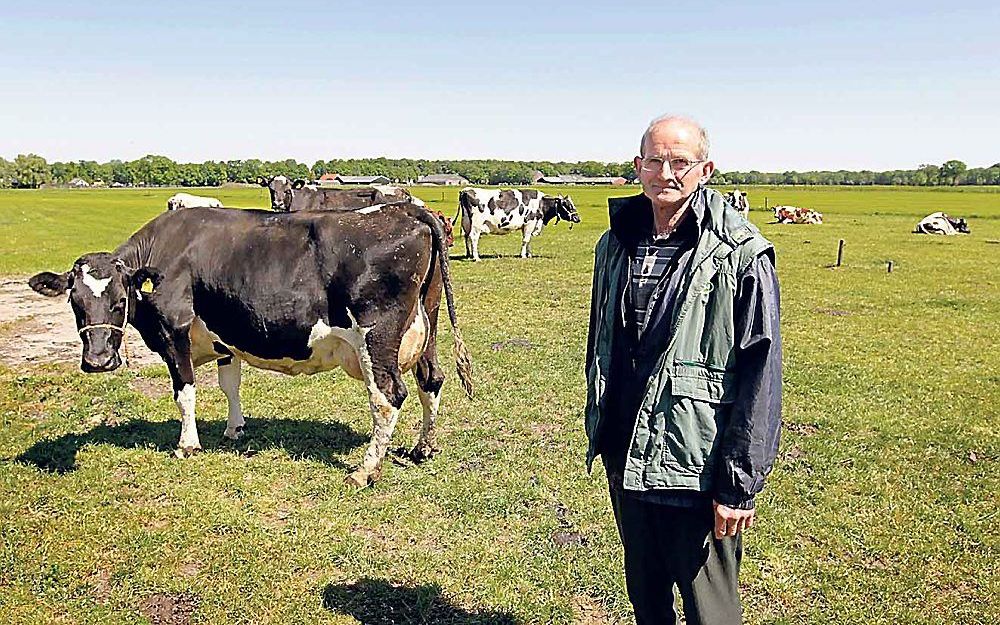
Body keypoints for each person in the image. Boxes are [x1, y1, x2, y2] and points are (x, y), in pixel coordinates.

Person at [584, 115, 782, 624]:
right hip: (627, 452)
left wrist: (738, 484)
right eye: (655, 160)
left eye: (680, 162)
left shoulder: (741, 254)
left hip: (696, 462)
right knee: (647, 598)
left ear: (706, 169)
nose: (666, 173)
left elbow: (762, 373)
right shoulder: (615, 244)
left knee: (709, 608)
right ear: (637, 167)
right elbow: (602, 345)